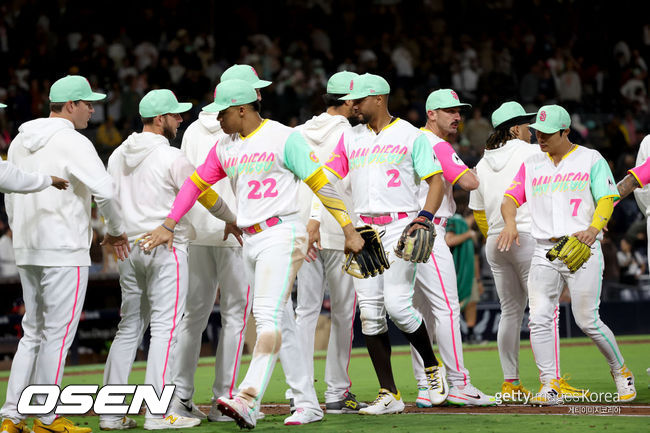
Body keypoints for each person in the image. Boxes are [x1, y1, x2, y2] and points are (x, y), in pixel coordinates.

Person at [142, 79, 364, 429]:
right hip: (251, 238)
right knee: (284, 322)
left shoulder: (284, 137)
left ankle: (247, 397)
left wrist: (348, 228)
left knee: (265, 313)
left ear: (243, 109)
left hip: (283, 231)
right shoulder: (225, 146)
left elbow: (320, 182)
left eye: (224, 114)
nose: (218, 120)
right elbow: (194, 185)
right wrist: (170, 223)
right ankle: (307, 403)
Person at [1, 75, 128, 433]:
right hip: (64, 248)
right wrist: (116, 230)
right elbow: (105, 191)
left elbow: (10, 190)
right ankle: (48, 416)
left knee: (33, 333)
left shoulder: (21, 140)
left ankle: (11, 416)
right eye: (87, 103)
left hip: (28, 245)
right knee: (57, 334)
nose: (92, 108)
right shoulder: (74, 141)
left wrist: (21, 234)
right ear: (70, 105)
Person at [101, 89, 235, 430]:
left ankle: (111, 413)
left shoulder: (117, 155)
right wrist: (230, 217)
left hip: (128, 248)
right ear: (159, 119)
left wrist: (114, 230)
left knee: (129, 328)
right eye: (175, 115)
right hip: (165, 245)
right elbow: (203, 192)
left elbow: (106, 198)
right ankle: (158, 413)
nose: (180, 119)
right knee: (165, 329)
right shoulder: (170, 157)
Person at [325, 73, 448, 415]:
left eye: (358, 101)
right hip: (364, 230)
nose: (353, 107)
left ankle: (432, 366)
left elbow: (435, 182)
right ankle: (389, 393)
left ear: (378, 98)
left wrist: (424, 217)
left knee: (397, 305)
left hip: (400, 224)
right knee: (370, 316)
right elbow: (327, 176)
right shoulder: (350, 138)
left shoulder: (411, 135)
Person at [498, 104, 636, 404]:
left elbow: (607, 199)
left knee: (587, 320)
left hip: (582, 247)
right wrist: (509, 221)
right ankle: (550, 385)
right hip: (544, 250)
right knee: (539, 318)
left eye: (547, 133)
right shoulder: (532, 162)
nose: (540, 137)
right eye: (537, 132)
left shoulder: (590, 159)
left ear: (566, 131)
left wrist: (594, 228)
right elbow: (510, 198)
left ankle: (620, 370)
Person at [167, 64, 270, 423]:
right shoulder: (248, 129)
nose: (260, 95)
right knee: (234, 321)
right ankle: (221, 401)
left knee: (191, 319)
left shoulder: (194, 128)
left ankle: (180, 396)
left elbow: (193, 182)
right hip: (236, 230)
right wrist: (234, 217)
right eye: (254, 89)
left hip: (198, 233)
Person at [468, 101, 584, 401]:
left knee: (510, 312)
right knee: (546, 310)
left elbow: (479, 213)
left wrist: (498, 234)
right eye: (528, 127)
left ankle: (510, 383)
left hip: (496, 241)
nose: (534, 132)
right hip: (528, 236)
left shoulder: (481, 162)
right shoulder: (533, 153)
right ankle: (552, 381)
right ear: (515, 128)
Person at [409, 89, 495, 407]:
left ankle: (425, 386)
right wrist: (484, 167)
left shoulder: (409, 140)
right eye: (449, 111)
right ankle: (459, 382)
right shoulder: (436, 144)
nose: (457, 116)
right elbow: (469, 183)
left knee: (421, 314)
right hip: (429, 233)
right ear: (431, 113)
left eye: (459, 111)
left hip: (405, 236)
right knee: (447, 309)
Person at [294, 71, 367, 413]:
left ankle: (301, 392)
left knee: (304, 313)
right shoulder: (352, 136)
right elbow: (339, 182)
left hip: (303, 234)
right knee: (343, 313)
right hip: (341, 231)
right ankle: (336, 392)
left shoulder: (298, 132)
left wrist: (304, 223)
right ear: (350, 102)